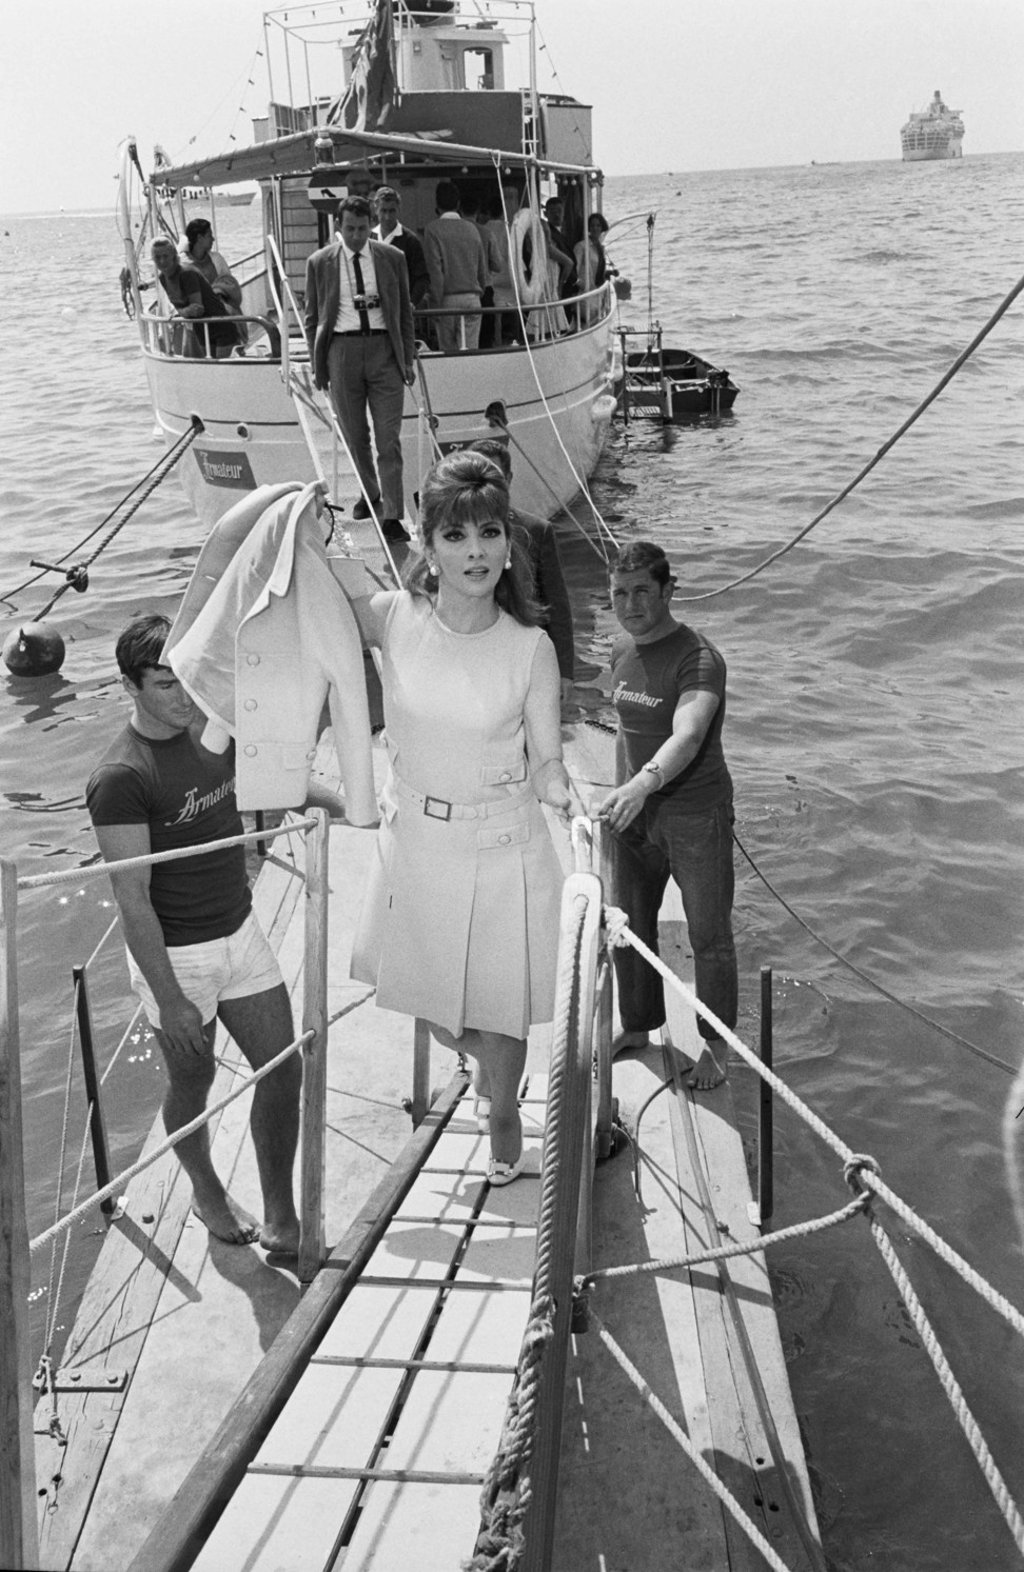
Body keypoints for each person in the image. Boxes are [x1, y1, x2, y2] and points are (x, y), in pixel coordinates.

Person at [350, 451, 572, 1184]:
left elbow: (546, 760)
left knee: (501, 1009)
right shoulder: (392, 617)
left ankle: (504, 1121)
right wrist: (283, 517)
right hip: (414, 843)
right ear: (428, 546)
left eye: (488, 533)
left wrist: (568, 790)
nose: (474, 551)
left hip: (501, 848)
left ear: (509, 544)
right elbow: (304, 600)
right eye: (455, 536)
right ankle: (480, 1068)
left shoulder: (529, 649)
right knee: (426, 1002)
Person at [85, 614, 319, 1251]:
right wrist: (169, 997)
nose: (183, 696)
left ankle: (280, 1214)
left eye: (186, 678)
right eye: (164, 684)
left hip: (240, 933)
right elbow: (131, 900)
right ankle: (206, 1191)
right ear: (129, 686)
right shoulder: (120, 779)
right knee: (194, 1082)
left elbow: (275, 781)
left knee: (283, 1069)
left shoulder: (213, 733)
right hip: (177, 957)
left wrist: (349, 806)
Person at [596, 541, 736, 1091]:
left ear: (669, 591)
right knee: (628, 926)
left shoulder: (698, 658)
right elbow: (627, 726)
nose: (629, 604)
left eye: (641, 592)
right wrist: (618, 793)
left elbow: (689, 733)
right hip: (633, 817)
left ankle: (717, 1046)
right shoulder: (620, 652)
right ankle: (638, 1025)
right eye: (618, 594)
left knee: (709, 937)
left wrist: (640, 785)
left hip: (694, 816)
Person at [304, 195, 416, 543]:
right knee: (355, 435)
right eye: (350, 228)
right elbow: (312, 318)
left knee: (388, 438)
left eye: (362, 228)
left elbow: (404, 311)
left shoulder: (392, 258)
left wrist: (407, 358)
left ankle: (393, 515)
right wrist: (317, 364)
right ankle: (371, 495)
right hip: (342, 351)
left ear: (372, 226)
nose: (356, 236)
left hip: (384, 351)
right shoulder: (320, 262)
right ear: (339, 226)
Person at [468, 438, 575, 701]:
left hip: (523, 659)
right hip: (471, 655)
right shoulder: (451, 535)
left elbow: (556, 605)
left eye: (494, 476)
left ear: (509, 478)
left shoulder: (536, 531)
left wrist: (564, 671)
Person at [423, 180, 488, 353]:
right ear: (458, 204)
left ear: (436, 204)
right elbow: (482, 270)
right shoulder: (472, 229)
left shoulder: (432, 230)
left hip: (446, 299)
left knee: (449, 354)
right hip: (472, 298)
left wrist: (434, 305)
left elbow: (436, 273)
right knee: (470, 352)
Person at [151, 236, 240, 358]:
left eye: (165, 256)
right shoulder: (163, 278)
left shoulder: (186, 273)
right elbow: (183, 308)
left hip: (220, 326)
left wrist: (182, 312)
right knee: (209, 370)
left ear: (173, 255)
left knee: (221, 370)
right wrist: (184, 311)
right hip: (201, 329)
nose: (162, 261)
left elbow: (197, 309)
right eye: (157, 257)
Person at [373, 185, 430, 309]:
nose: (387, 217)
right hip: (374, 310)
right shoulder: (368, 238)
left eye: (391, 211)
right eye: (383, 211)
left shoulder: (411, 240)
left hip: (400, 309)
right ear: (376, 209)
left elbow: (422, 277)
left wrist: (412, 302)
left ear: (399, 209)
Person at [177, 218, 242, 311]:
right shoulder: (181, 264)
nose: (213, 239)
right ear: (199, 238)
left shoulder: (216, 259)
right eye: (209, 235)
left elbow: (230, 286)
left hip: (221, 311)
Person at [574, 211, 614, 326]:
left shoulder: (600, 248)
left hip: (599, 294)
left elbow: (597, 270)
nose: (595, 228)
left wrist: (609, 272)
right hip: (586, 296)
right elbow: (574, 272)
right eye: (592, 225)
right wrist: (584, 286)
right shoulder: (581, 246)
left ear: (602, 227)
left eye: (598, 225)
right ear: (588, 227)